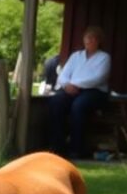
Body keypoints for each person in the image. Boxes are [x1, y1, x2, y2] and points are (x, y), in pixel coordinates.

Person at [47, 25, 111, 159]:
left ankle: (76, 149)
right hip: (72, 89)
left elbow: (98, 78)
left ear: (98, 41)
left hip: (95, 91)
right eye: (87, 37)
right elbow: (63, 75)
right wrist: (67, 85)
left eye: (93, 38)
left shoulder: (104, 57)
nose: (89, 40)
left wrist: (75, 84)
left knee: (79, 105)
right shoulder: (76, 56)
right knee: (56, 101)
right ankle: (57, 147)